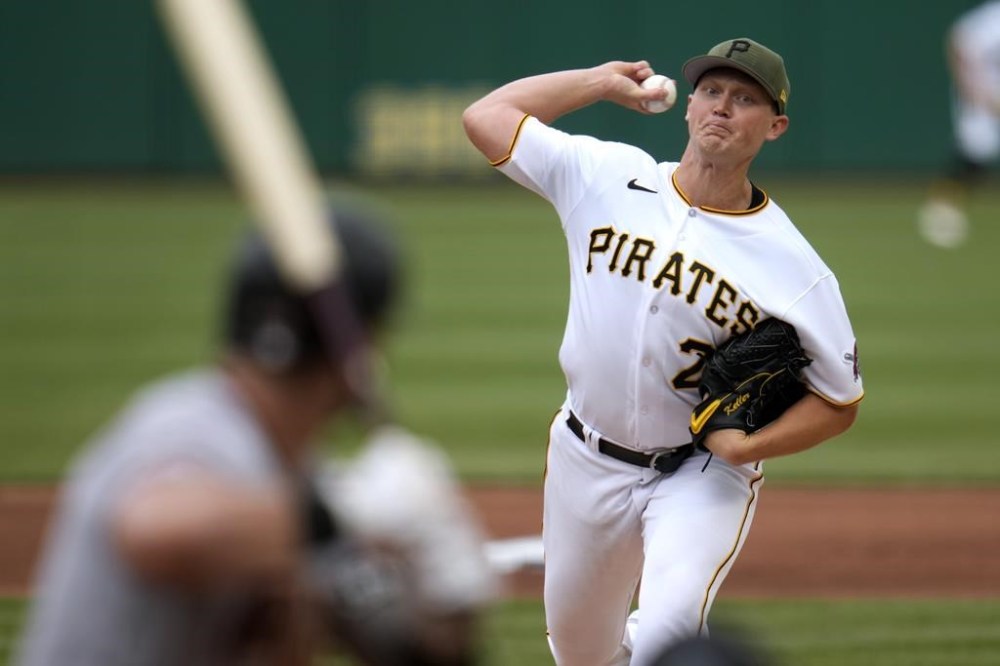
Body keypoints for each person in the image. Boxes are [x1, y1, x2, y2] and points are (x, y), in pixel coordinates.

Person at [463, 38, 864, 666]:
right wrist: (597, 81)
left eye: (744, 99)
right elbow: (486, 118)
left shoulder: (796, 267)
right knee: (581, 653)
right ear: (688, 107)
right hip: (584, 457)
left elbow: (839, 400)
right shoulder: (604, 176)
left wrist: (748, 447)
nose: (721, 108)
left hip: (698, 473)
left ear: (775, 126)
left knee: (664, 643)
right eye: (711, 91)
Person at [15, 204, 495, 665]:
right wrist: (349, 512)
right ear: (357, 348)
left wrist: (450, 601)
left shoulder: (294, 486)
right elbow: (156, 532)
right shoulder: (195, 428)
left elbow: (402, 650)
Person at [918, 0, 1000, 248]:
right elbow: (960, 41)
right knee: (976, 149)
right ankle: (942, 207)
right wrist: (972, 85)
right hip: (984, 96)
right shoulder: (994, 18)